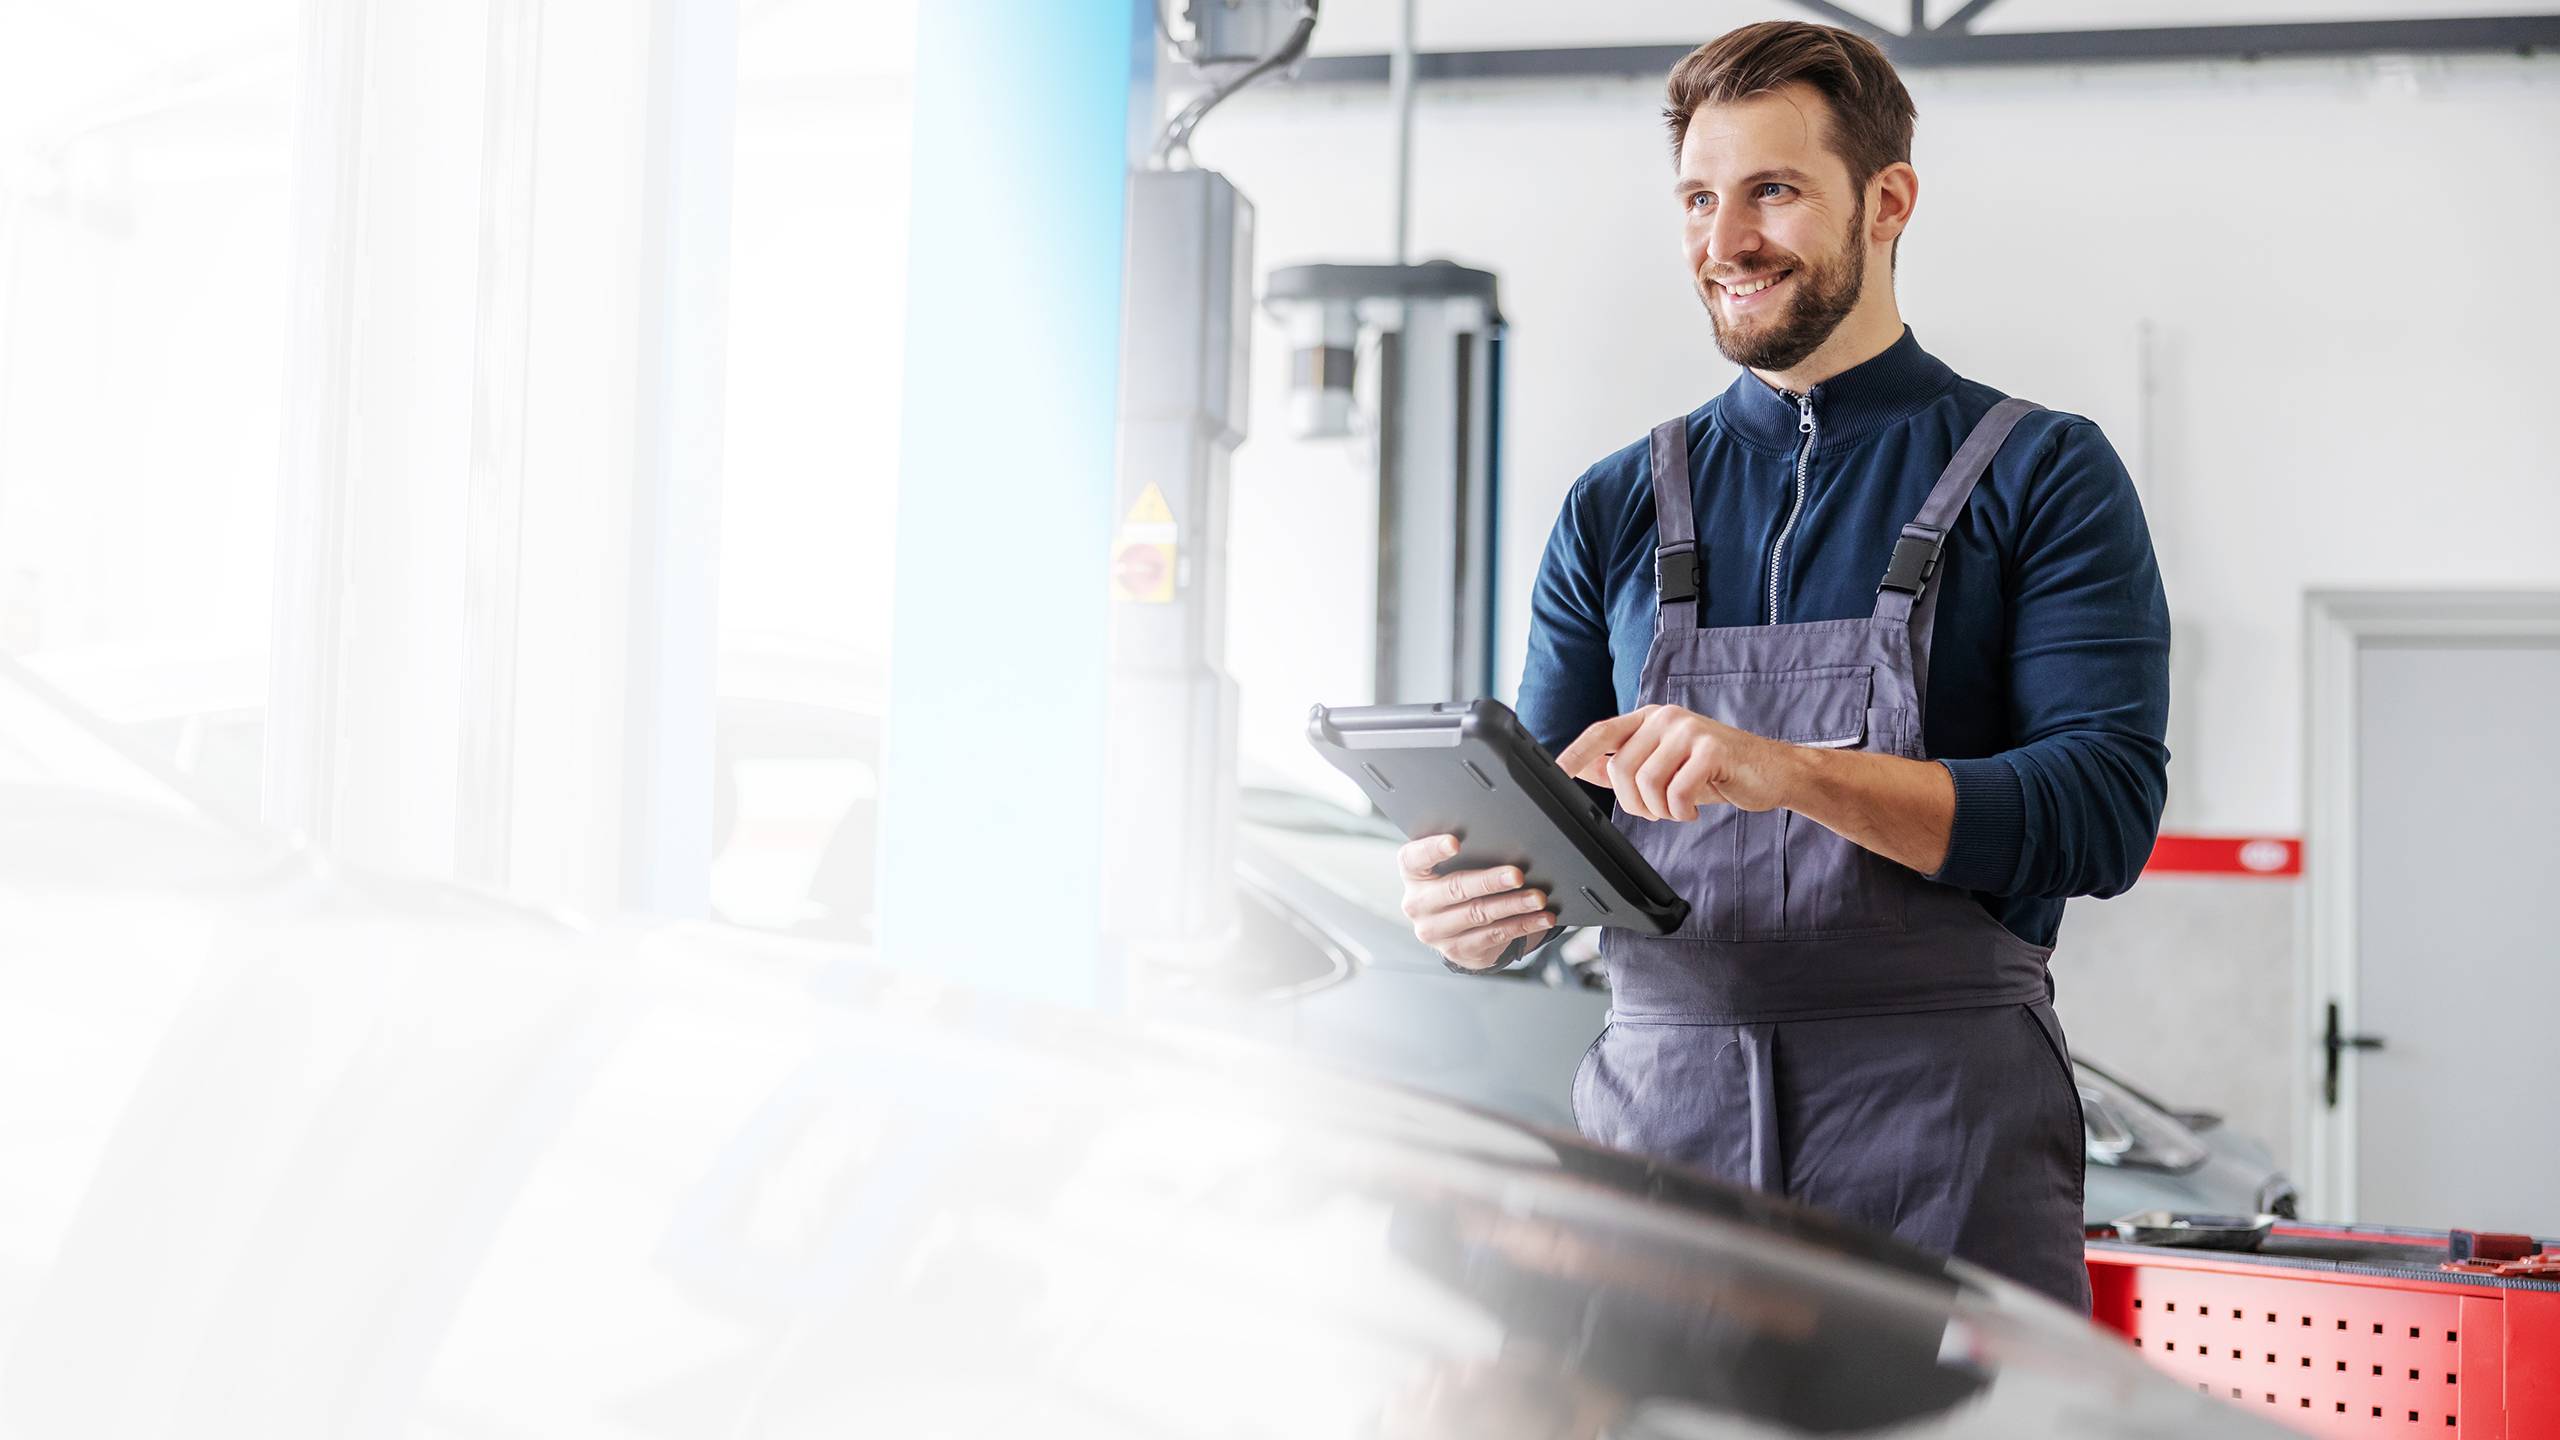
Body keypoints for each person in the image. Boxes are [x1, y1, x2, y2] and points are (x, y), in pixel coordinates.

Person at [1393, 20, 2170, 1312]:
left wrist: (1797, 772)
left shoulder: (2044, 474)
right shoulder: (1616, 508)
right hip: (1661, 1145)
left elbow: (2101, 812)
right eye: (1700, 197)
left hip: (1941, 1139)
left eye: (1774, 191)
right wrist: (1471, 909)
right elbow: (1553, 824)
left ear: (1888, 202)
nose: (1725, 241)